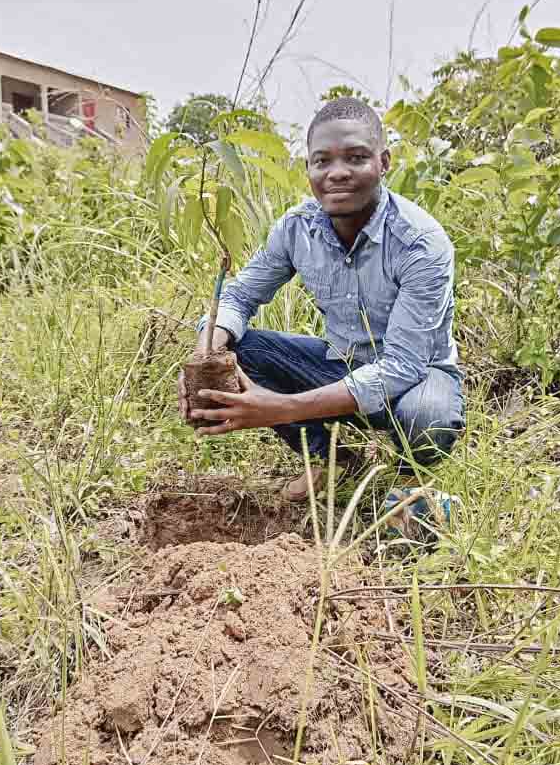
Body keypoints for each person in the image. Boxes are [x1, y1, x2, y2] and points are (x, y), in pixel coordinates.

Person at [177, 96, 464, 504]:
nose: (338, 173)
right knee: (240, 349)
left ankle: (404, 481)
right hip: (340, 361)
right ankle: (329, 461)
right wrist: (204, 355)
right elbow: (239, 295)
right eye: (322, 161)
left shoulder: (420, 242)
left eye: (357, 158)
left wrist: (279, 407)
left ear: (384, 162)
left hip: (417, 376)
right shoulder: (297, 228)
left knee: (427, 419)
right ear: (307, 169)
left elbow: (402, 366)